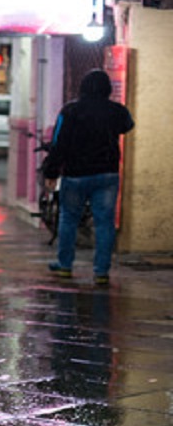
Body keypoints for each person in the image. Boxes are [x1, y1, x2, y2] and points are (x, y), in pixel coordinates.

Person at [43, 69, 134, 286]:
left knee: (69, 219)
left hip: (75, 174)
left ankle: (65, 265)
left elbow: (59, 143)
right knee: (104, 223)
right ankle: (101, 271)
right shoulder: (116, 111)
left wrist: (51, 171)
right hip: (107, 174)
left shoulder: (71, 111)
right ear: (107, 89)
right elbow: (128, 125)